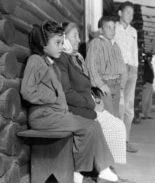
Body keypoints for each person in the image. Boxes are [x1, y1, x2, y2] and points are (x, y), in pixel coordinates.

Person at [20, 21, 119, 183]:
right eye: (57, 43)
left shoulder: (52, 65)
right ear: (43, 45)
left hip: (56, 115)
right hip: (42, 116)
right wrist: (51, 96)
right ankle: (77, 172)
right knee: (88, 127)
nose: (61, 46)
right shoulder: (35, 61)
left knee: (93, 125)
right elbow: (27, 91)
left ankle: (99, 169)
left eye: (62, 42)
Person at [55, 21, 127, 166]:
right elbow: (67, 93)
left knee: (118, 125)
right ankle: (103, 169)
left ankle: (106, 168)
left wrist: (94, 98)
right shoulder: (62, 59)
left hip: (87, 103)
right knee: (115, 127)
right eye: (75, 35)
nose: (79, 40)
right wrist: (92, 105)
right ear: (64, 38)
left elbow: (84, 86)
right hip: (76, 109)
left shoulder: (76, 57)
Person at [85, 16, 126, 118]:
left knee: (116, 117)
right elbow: (91, 66)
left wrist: (121, 85)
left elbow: (121, 66)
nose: (112, 31)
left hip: (116, 85)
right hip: (105, 85)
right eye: (108, 27)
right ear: (101, 30)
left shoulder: (116, 46)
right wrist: (101, 85)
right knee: (108, 117)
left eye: (113, 28)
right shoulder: (96, 43)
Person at [114, 1, 138, 153]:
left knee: (129, 108)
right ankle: (116, 140)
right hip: (117, 69)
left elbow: (134, 51)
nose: (130, 15)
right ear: (120, 13)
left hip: (131, 70)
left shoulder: (133, 31)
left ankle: (125, 141)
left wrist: (135, 69)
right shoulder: (113, 27)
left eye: (132, 13)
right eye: (128, 12)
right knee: (119, 106)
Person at [141, 52, 154, 120]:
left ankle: (148, 113)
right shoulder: (144, 64)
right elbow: (142, 74)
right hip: (146, 83)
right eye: (149, 57)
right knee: (145, 99)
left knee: (149, 100)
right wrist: (143, 83)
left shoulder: (150, 65)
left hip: (150, 83)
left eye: (151, 57)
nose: (150, 58)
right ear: (146, 57)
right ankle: (143, 113)